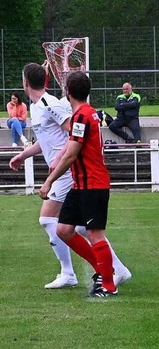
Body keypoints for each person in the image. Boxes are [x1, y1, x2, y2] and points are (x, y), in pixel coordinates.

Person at [10, 63, 131, 290]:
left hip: (68, 173)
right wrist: (23, 155)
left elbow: (73, 134)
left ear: (25, 82)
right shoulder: (36, 107)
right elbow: (45, 140)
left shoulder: (51, 104)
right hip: (67, 171)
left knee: (50, 220)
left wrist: (56, 167)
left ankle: (75, 272)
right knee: (79, 227)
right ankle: (114, 270)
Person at [40, 71, 125, 297]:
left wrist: (49, 181)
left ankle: (108, 283)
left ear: (67, 92)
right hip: (81, 185)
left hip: (93, 184)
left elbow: (71, 155)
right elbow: (70, 149)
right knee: (64, 230)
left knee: (95, 234)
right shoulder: (87, 114)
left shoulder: (82, 117)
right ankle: (101, 269)